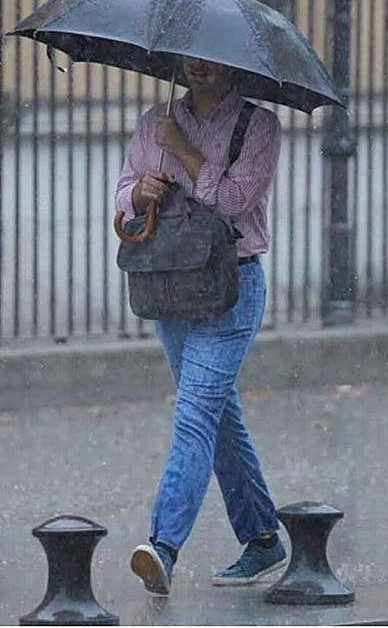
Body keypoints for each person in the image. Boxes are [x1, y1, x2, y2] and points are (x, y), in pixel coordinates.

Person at [113, 56, 286, 596]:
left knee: (193, 416)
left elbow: (236, 201)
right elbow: (121, 198)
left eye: (212, 61)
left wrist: (185, 153)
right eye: (192, 60)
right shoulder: (153, 121)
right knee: (216, 416)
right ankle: (262, 537)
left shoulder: (258, 127)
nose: (199, 68)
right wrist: (139, 194)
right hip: (170, 287)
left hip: (231, 289)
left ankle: (162, 546)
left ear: (234, 66)